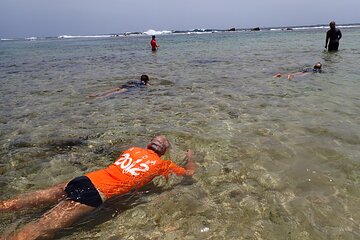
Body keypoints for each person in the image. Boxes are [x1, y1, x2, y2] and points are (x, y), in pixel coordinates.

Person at [0, 135, 195, 240]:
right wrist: (190, 159)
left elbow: (127, 171)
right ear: (164, 153)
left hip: (84, 179)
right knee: (38, 228)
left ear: (147, 144)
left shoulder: (131, 150)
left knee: (17, 203)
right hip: (95, 193)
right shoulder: (163, 165)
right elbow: (189, 173)